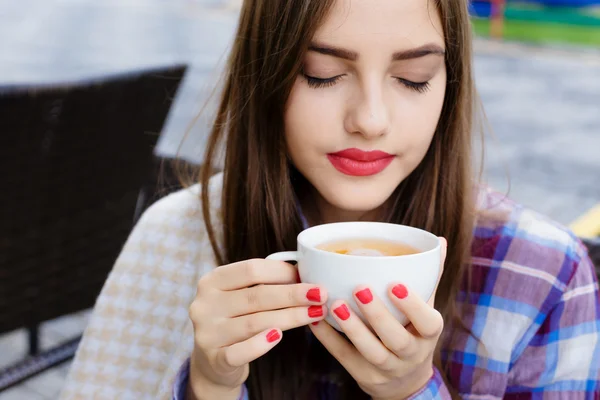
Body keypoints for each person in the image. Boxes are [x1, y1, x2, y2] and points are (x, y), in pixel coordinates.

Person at [60, 0, 600, 398]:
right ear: (265, 75)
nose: (369, 119)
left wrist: (414, 390)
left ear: (448, 84)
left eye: (413, 78)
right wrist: (210, 384)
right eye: (322, 74)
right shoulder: (181, 235)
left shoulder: (543, 274)